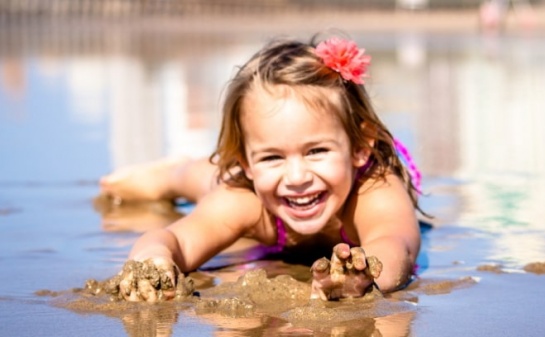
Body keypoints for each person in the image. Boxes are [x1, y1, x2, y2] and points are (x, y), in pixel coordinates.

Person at [100, 34, 423, 302]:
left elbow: (396, 245)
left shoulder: (374, 190)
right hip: (231, 183)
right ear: (246, 162)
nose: (297, 178)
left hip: (300, 184)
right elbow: (176, 241)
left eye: (316, 151)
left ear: (358, 147)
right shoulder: (244, 197)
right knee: (198, 179)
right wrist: (153, 260)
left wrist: (364, 274)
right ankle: (169, 173)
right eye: (272, 157)